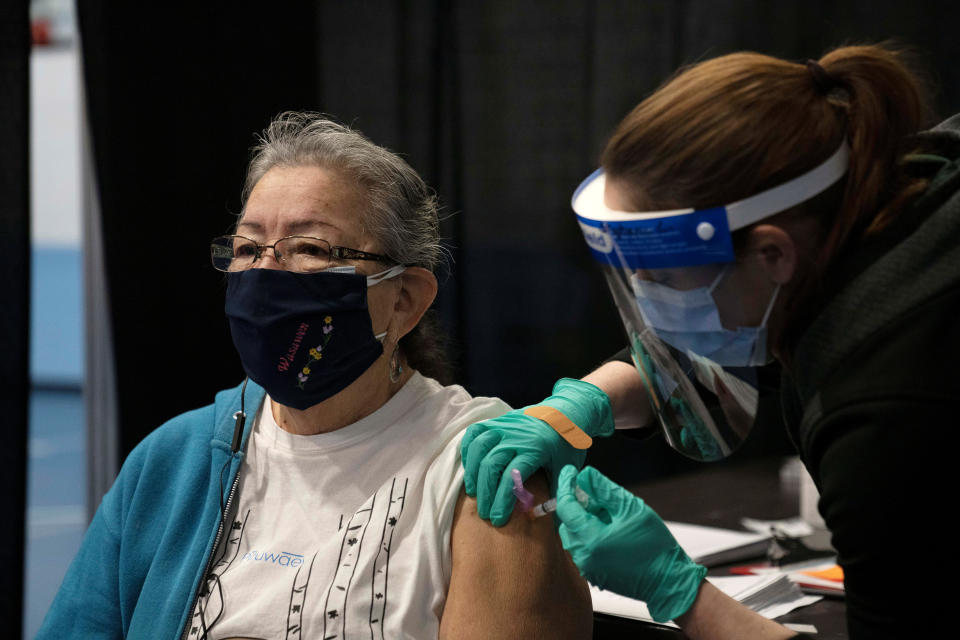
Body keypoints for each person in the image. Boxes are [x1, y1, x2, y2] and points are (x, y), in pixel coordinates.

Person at [462, 44, 959, 638]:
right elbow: (711, 342)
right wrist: (575, 408)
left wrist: (677, 589)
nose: (649, 299)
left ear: (773, 252)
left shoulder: (885, 401)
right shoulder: (904, 185)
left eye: (665, 278)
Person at [38, 112, 592, 639]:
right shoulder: (172, 464)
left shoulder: (479, 470)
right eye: (248, 248)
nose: (266, 274)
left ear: (403, 301)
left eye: (308, 248)